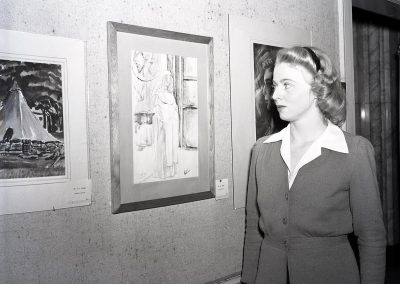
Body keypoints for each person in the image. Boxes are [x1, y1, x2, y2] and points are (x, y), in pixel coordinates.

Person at [241, 46, 386, 284]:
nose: (275, 95)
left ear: (318, 88)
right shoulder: (261, 150)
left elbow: (372, 237)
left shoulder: (355, 152)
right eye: (275, 86)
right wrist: (248, 280)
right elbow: (253, 230)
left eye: (287, 84)